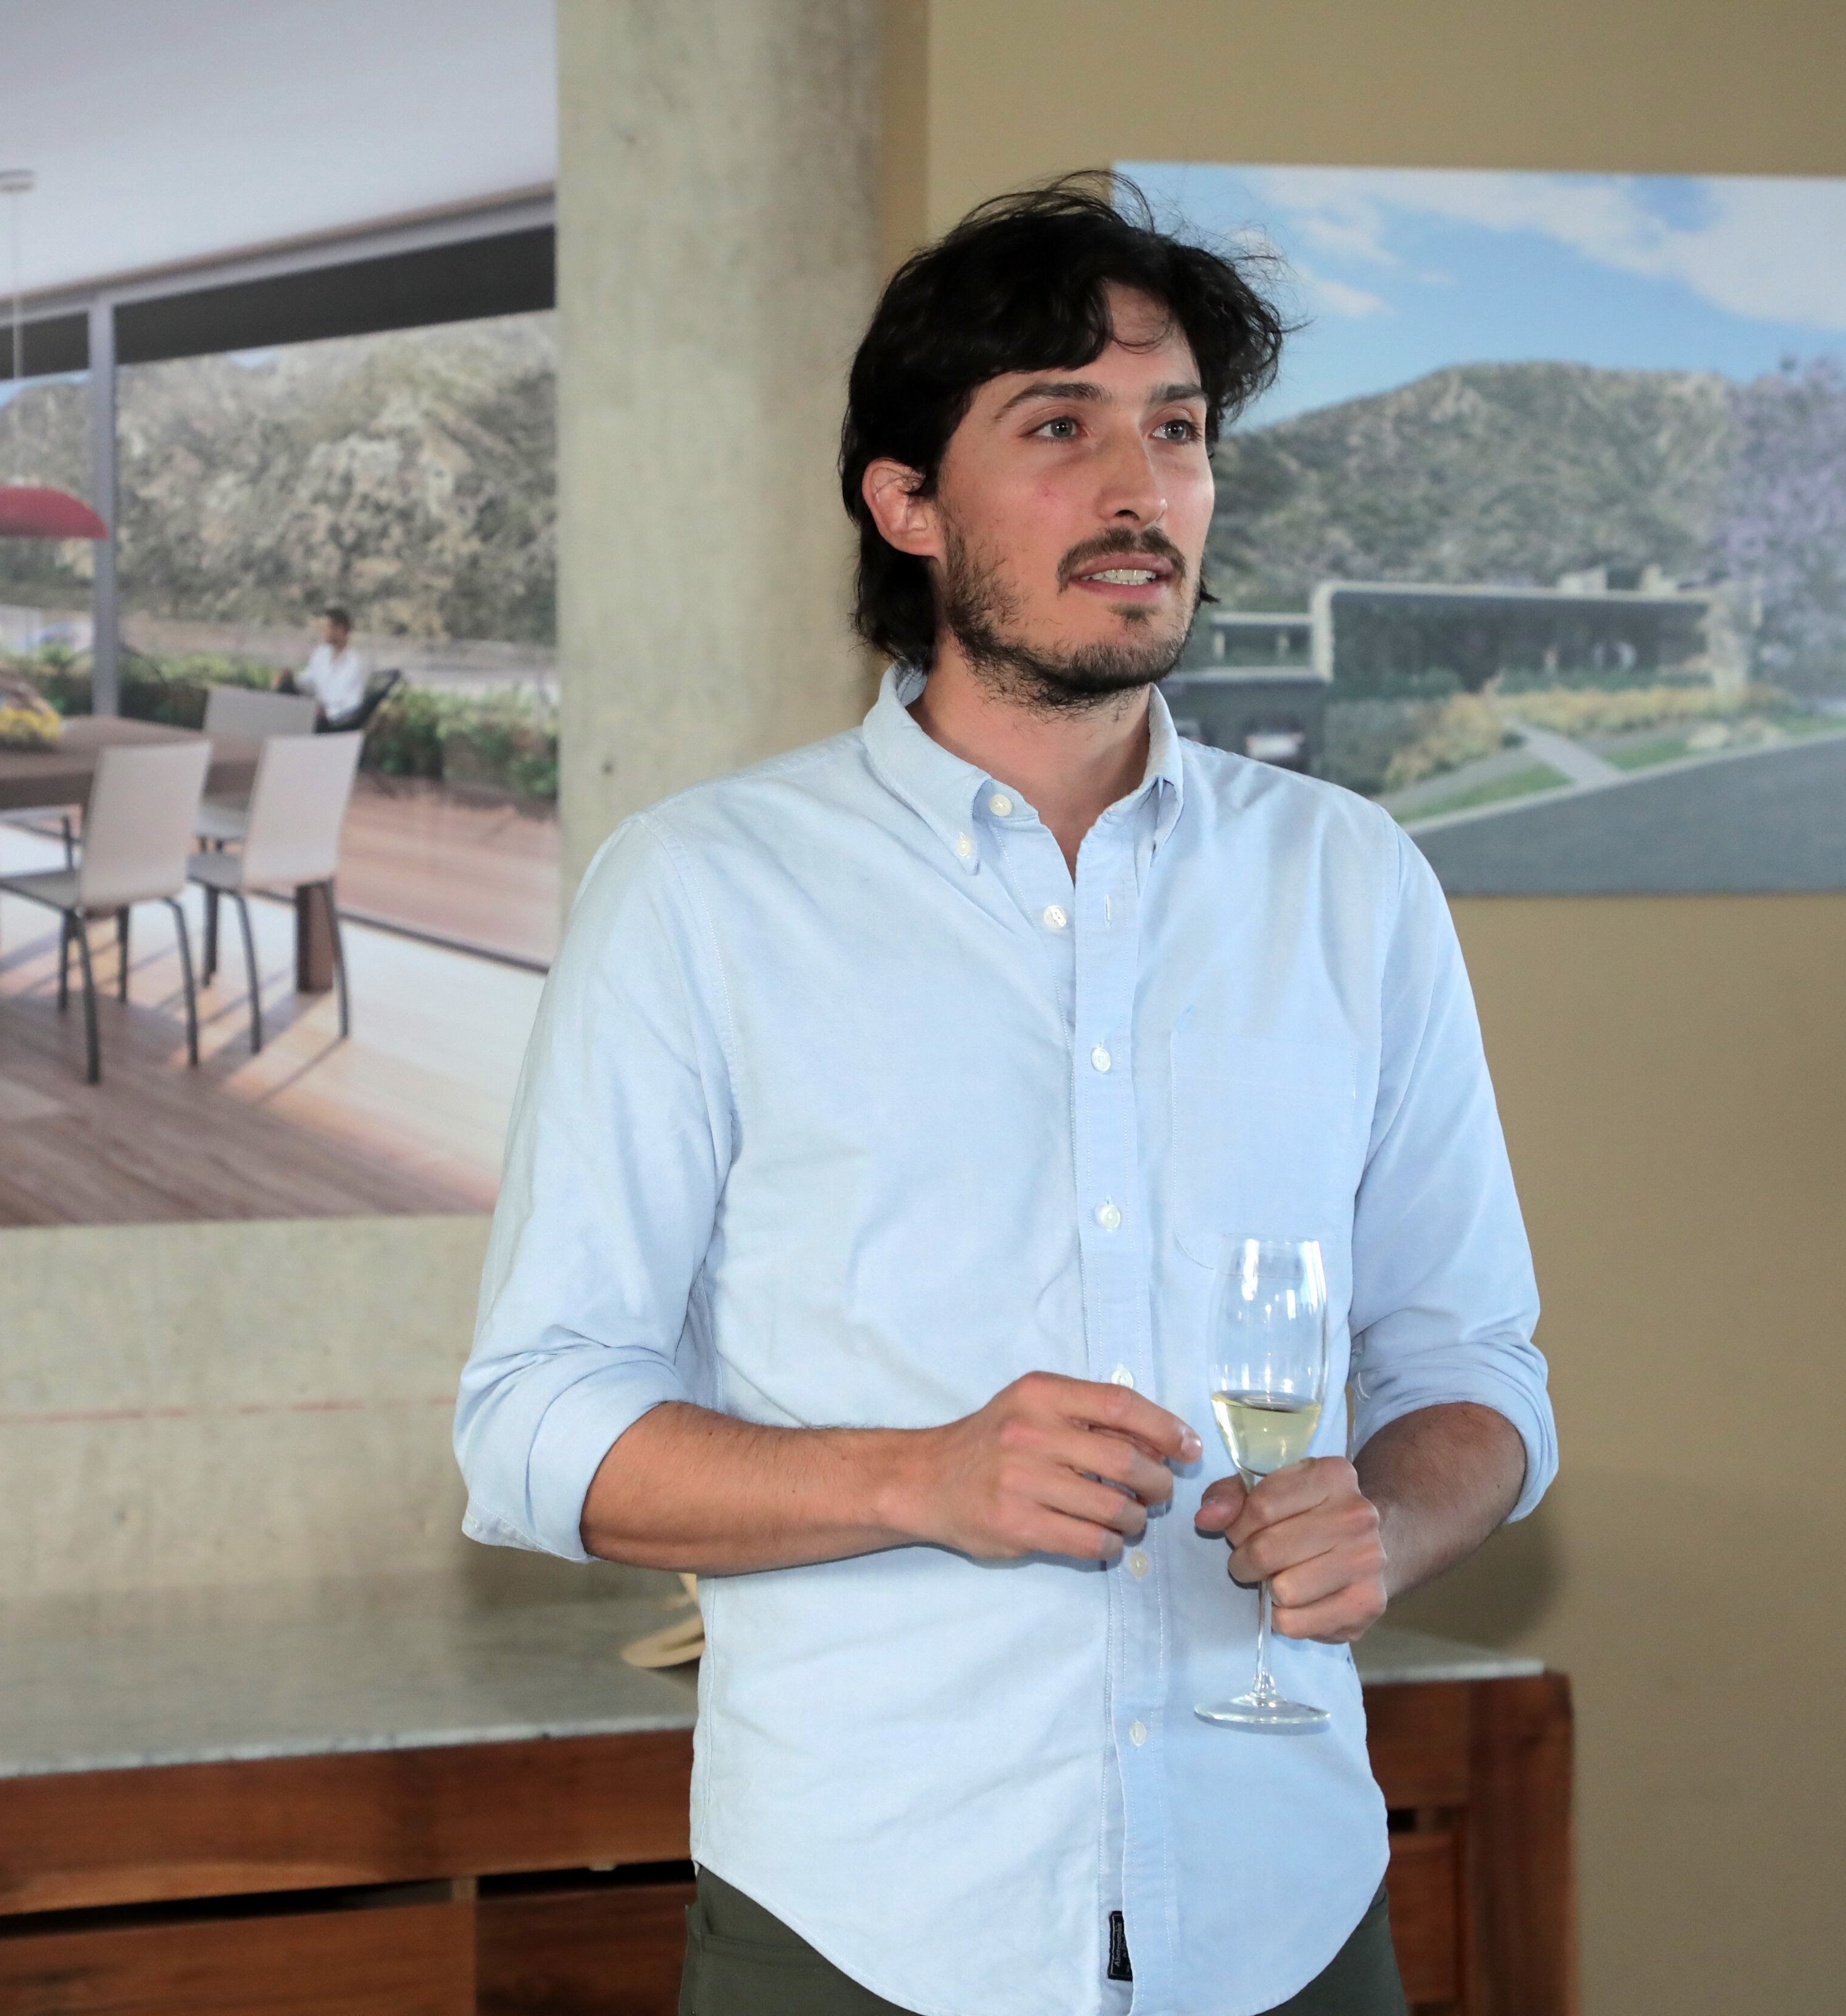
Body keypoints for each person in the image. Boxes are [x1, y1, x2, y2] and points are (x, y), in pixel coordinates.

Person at [455, 174, 1554, 2016]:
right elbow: (532, 1427)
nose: (1141, 490)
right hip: (866, 1922)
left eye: (1177, 431)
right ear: (903, 502)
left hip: (1286, 1909)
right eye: (1059, 425)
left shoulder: (1351, 882)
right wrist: (922, 1474)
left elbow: (1474, 1372)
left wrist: (1392, 1514)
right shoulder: (702, 891)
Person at [290, 606, 367, 721]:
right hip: (313, 714)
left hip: (335, 722)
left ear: (340, 629)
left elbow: (353, 706)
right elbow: (307, 681)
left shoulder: (355, 664)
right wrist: (290, 679)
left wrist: (326, 713)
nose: (323, 632)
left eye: (327, 628)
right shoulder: (321, 654)